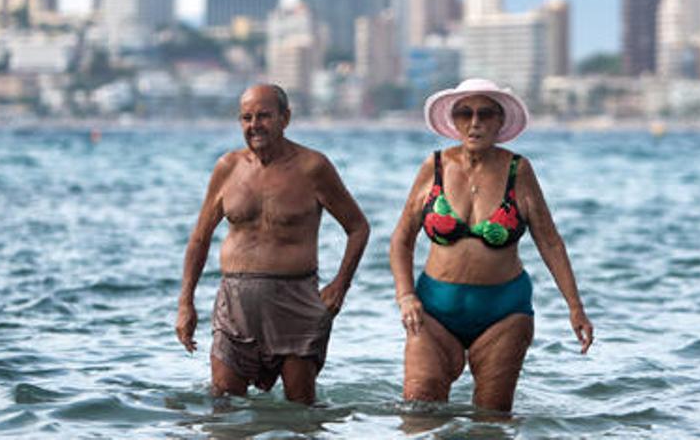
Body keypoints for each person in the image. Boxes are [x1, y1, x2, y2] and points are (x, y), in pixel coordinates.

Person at [389, 78, 594, 412]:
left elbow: (550, 243)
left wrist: (575, 307)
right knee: (418, 410)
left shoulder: (519, 170)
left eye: (485, 113)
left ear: (500, 122)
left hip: (504, 313)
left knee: (492, 417)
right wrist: (406, 295)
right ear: (453, 122)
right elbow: (400, 240)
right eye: (464, 113)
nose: (475, 122)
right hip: (433, 312)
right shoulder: (435, 167)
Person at [175, 84, 370, 404]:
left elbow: (358, 227)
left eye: (264, 116)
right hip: (235, 305)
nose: (254, 125)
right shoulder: (228, 167)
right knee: (223, 410)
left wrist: (340, 286)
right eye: (246, 118)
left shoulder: (313, 167)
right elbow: (199, 238)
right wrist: (186, 303)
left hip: (296, 303)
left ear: (286, 117)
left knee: (300, 413)